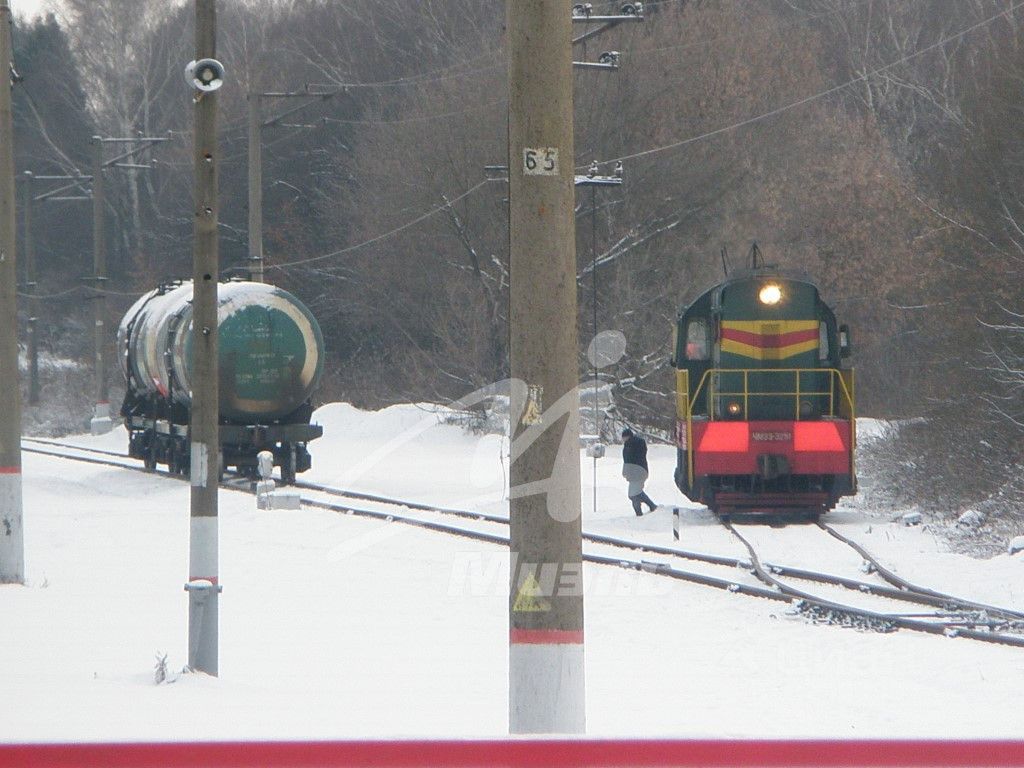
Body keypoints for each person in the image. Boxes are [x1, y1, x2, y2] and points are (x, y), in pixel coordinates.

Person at [621, 427, 656, 516]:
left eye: (624, 437)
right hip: (641, 471)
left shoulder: (629, 445)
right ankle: (650, 507)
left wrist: (625, 471)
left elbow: (628, 460)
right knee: (636, 492)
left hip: (636, 473)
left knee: (633, 494)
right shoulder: (635, 443)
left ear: (627, 436)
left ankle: (641, 512)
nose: (623, 439)